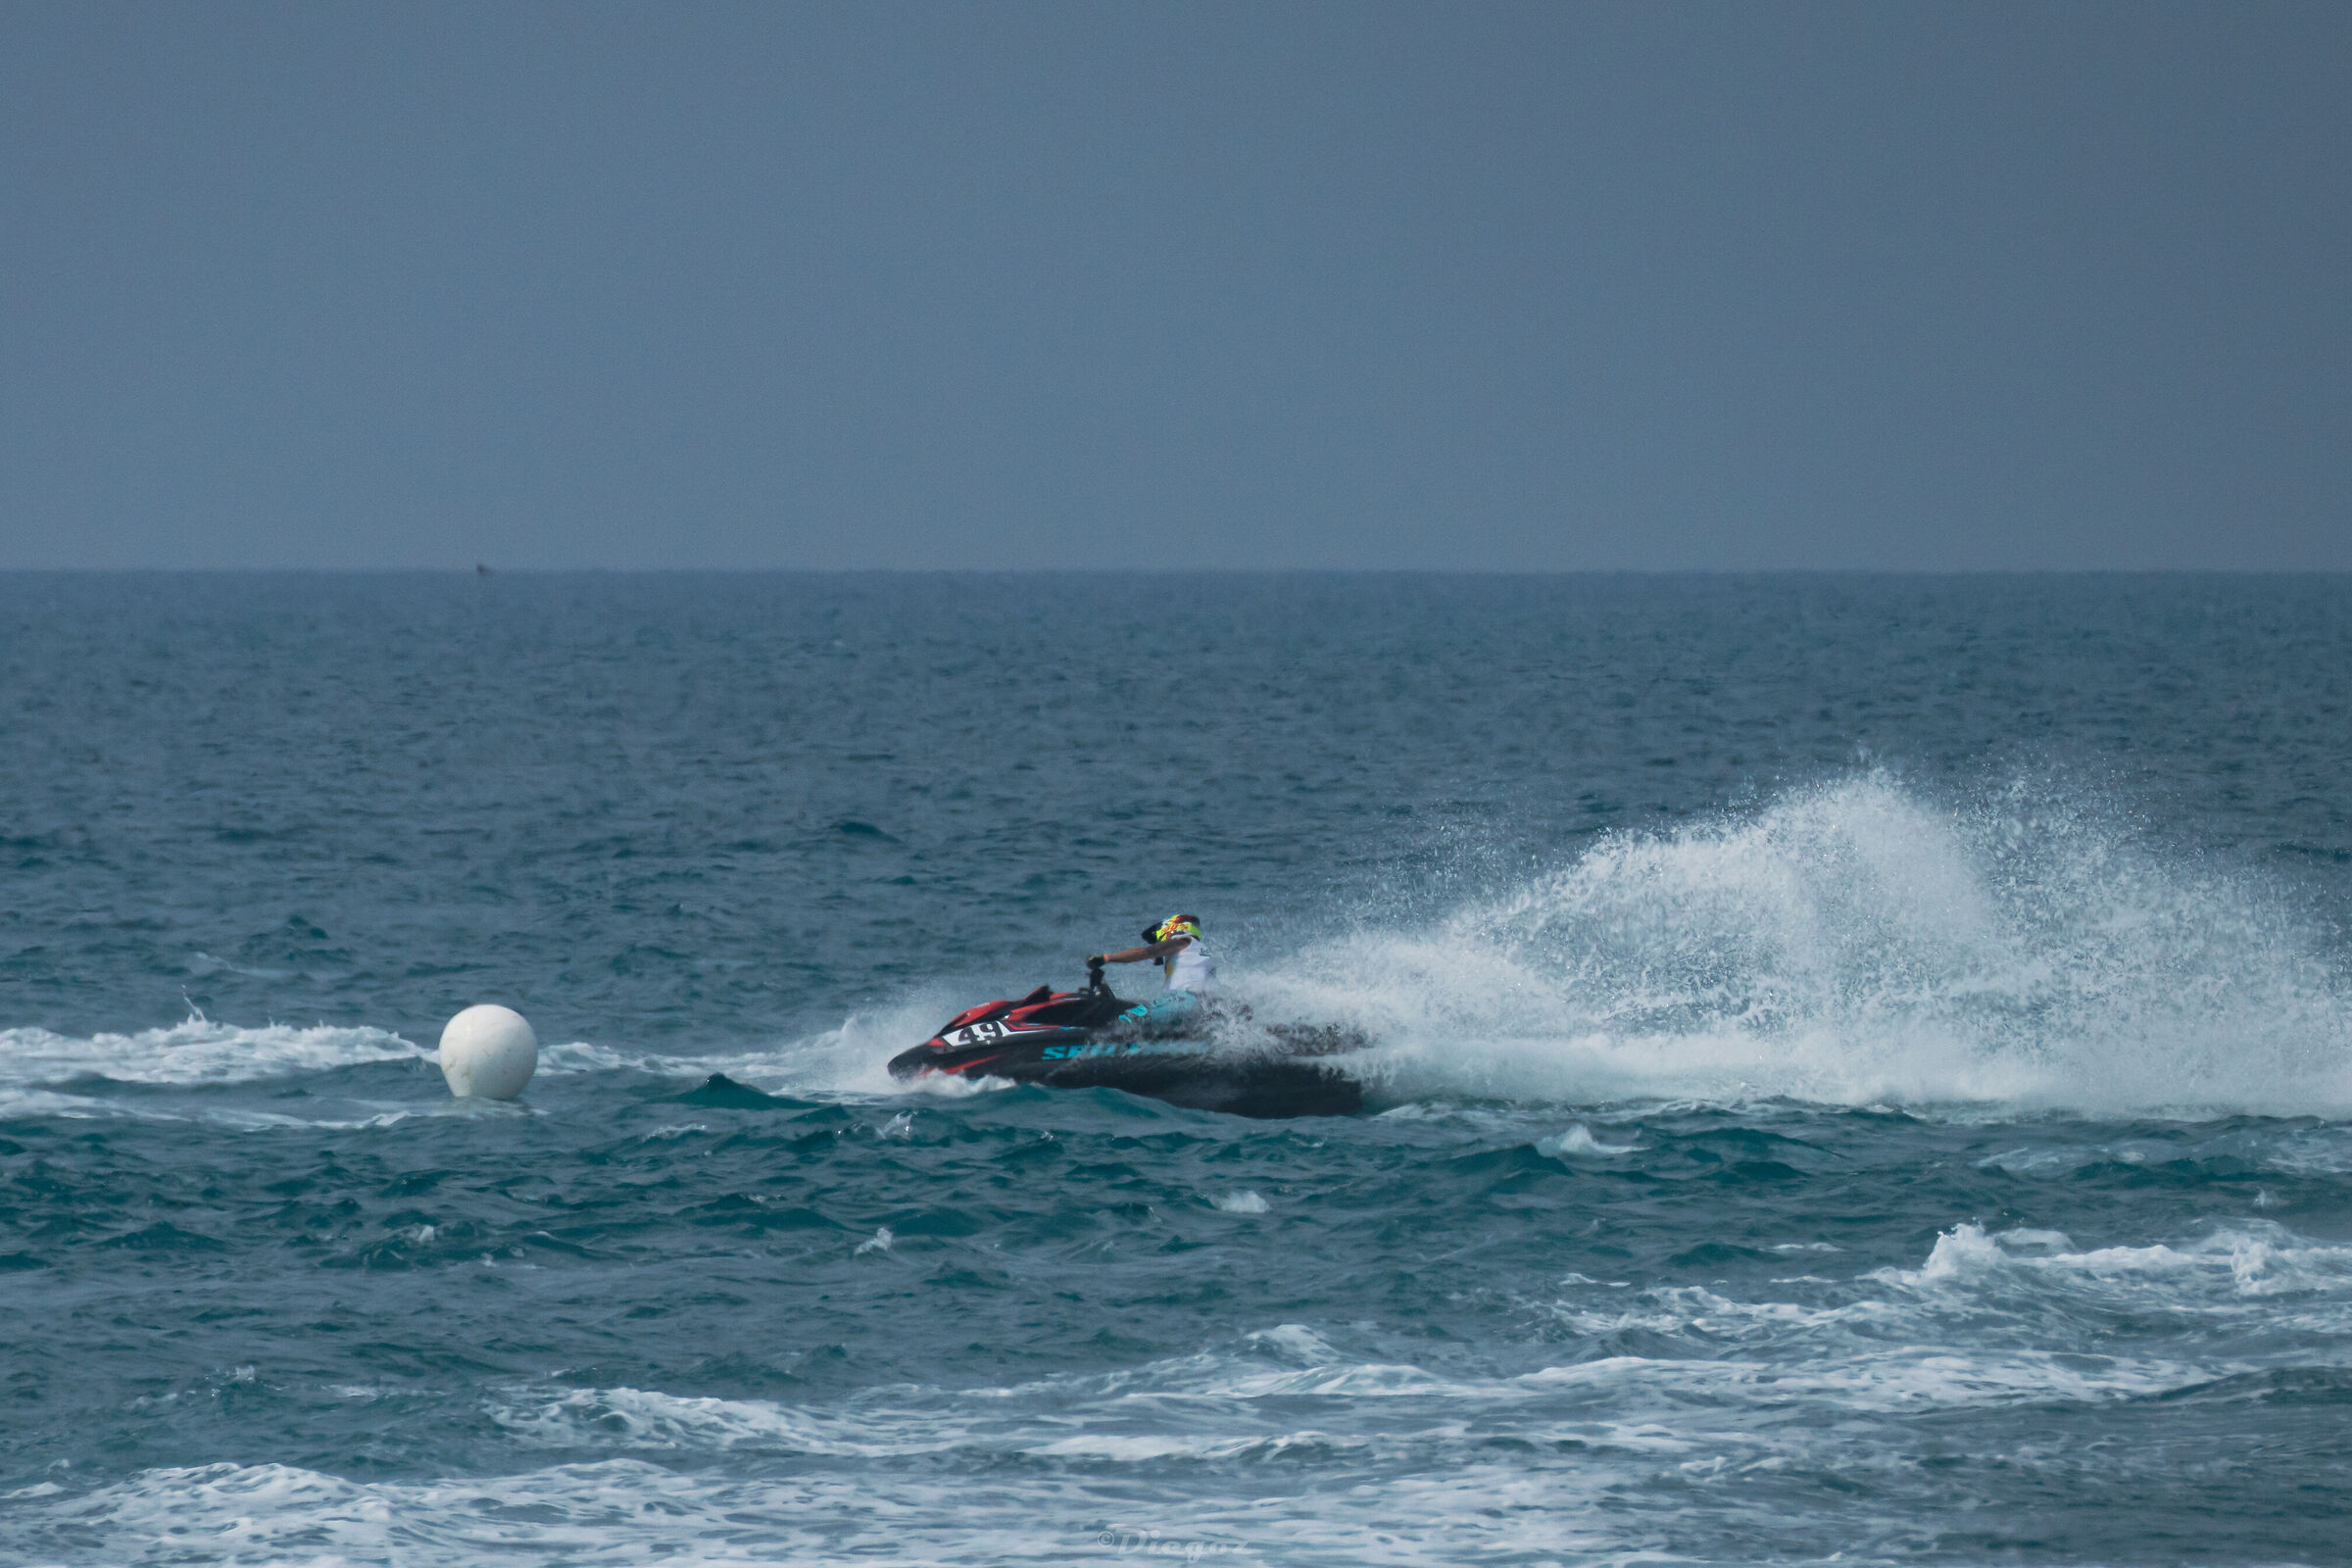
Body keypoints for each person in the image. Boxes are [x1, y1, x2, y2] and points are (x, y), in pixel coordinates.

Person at [1090, 914, 1213, 1032]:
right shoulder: (1200, 952)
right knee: (1141, 1006)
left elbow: (1145, 952)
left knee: (1126, 1018)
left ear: (1170, 929)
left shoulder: (1182, 941)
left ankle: (1095, 1042)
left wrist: (1106, 958)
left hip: (1181, 1002)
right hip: (1200, 1007)